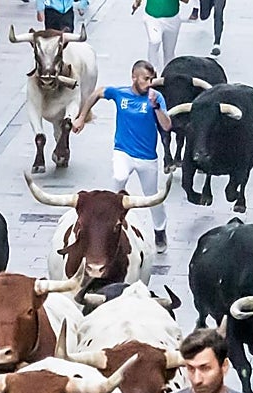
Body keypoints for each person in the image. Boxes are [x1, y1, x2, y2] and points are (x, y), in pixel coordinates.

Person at [73, 60, 171, 253]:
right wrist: (82, 117)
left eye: (152, 79)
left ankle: (160, 230)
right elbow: (98, 93)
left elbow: (167, 126)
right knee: (119, 178)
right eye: (145, 79)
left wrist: (157, 107)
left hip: (147, 157)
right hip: (123, 151)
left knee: (153, 197)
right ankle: (116, 219)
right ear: (134, 77)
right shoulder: (120, 94)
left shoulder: (156, 97)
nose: (149, 83)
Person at [132, 0, 184, 69]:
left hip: (172, 19)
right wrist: (137, 2)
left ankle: (168, 73)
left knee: (169, 52)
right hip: (152, 18)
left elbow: (186, 1)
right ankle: (153, 71)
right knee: (154, 41)